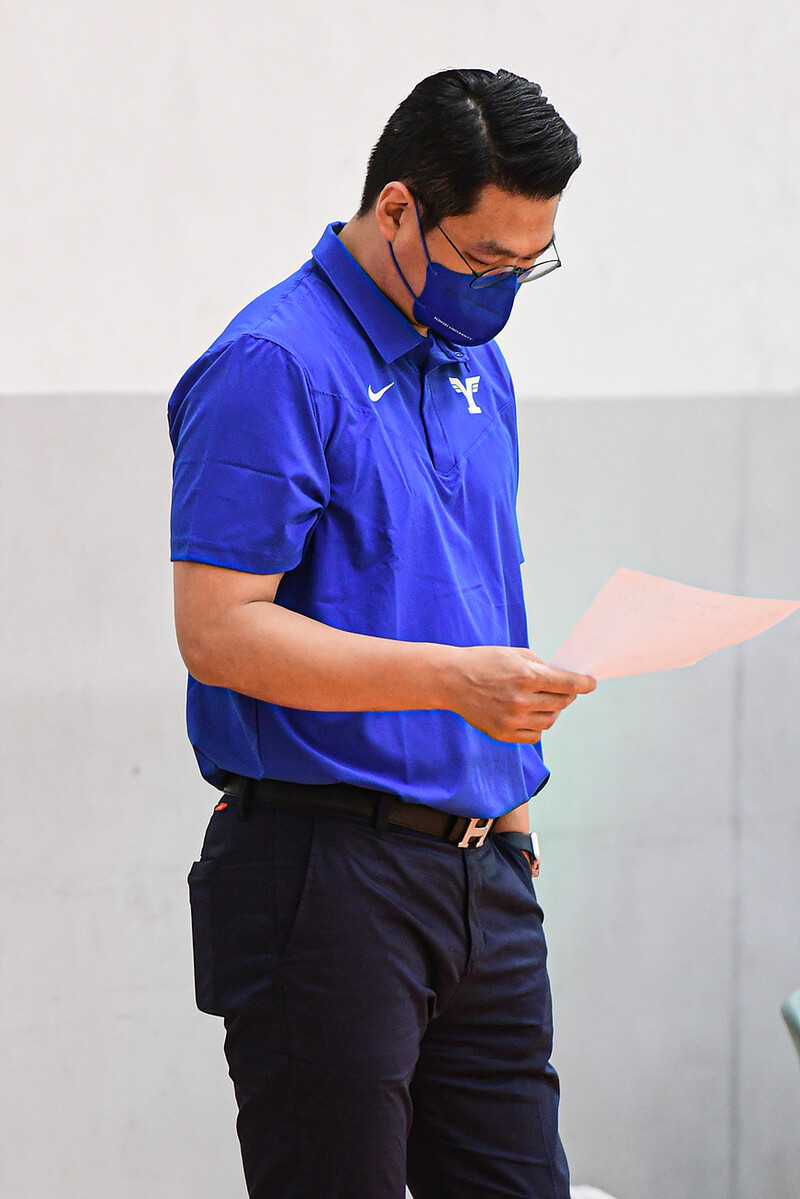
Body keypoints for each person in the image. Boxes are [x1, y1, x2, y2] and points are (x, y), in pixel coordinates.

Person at [169, 67, 596, 1199]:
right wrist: (454, 684)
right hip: (327, 870)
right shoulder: (273, 364)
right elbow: (218, 631)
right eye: (483, 260)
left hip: (483, 874)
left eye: (527, 266)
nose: (501, 291)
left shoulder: (477, 366)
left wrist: (509, 828)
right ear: (397, 208)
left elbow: (481, 593)